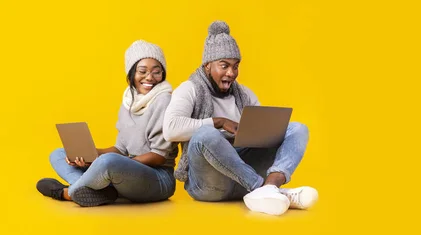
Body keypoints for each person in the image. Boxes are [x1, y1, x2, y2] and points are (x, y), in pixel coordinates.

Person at [163, 21, 318, 216]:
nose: (231, 73)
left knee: (298, 128)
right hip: (209, 184)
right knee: (205, 135)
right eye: (224, 66)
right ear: (207, 65)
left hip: (241, 176)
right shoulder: (190, 89)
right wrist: (219, 122)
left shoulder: (245, 94)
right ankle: (270, 190)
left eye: (235, 66)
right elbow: (170, 129)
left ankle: (269, 188)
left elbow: (266, 133)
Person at [36, 40, 178, 207]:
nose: (150, 77)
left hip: (158, 179)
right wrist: (91, 155)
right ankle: (99, 190)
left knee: (108, 162)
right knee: (59, 154)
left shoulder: (164, 99)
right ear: (131, 73)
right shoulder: (129, 101)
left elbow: (159, 156)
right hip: (126, 174)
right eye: (143, 71)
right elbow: (120, 149)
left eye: (157, 72)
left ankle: (67, 193)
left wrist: (112, 165)